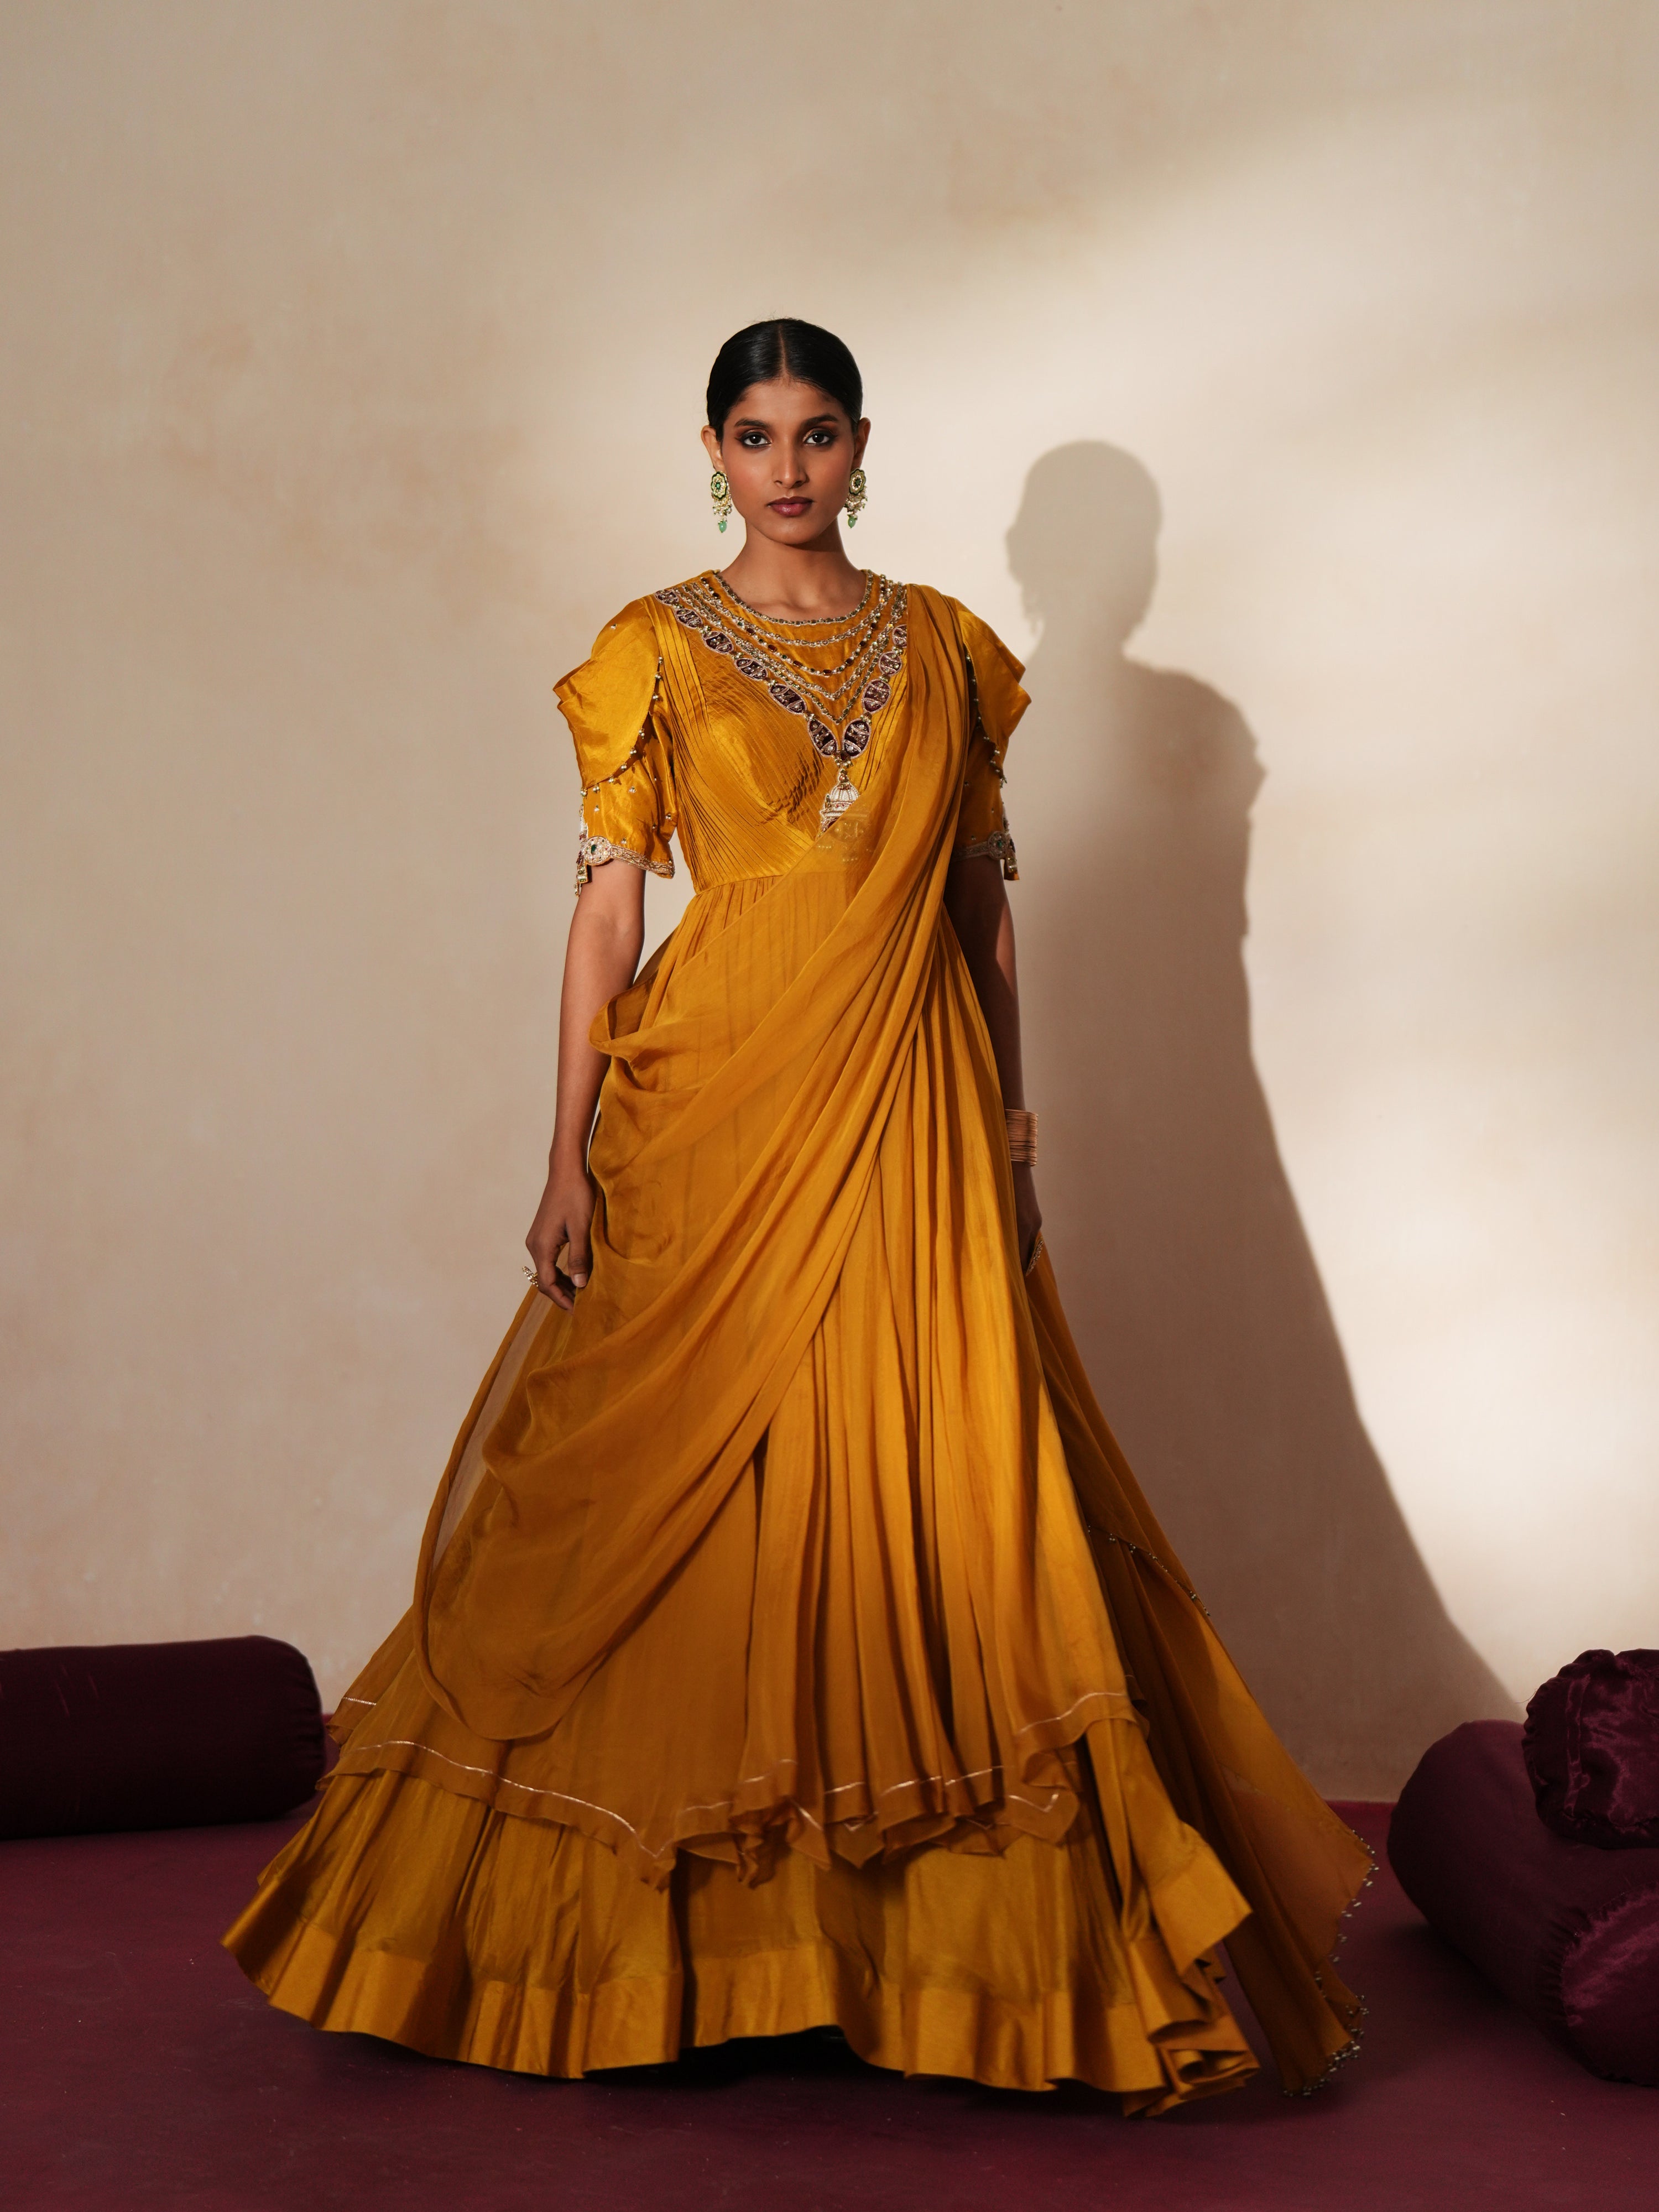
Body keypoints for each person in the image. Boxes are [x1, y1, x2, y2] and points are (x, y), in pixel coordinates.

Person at [224, 319, 1369, 2114]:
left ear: (860, 447)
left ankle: (929, 1965)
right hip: (707, 1104)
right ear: (711, 449)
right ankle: (642, 1963)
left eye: (817, 435)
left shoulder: (951, 653)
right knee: (664, 1498)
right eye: (755, 437)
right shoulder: (649, 650)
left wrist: (1010, 1120)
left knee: (928, 1480)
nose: (788, 468)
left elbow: (985, 911)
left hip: (910, 1105)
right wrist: (562, 1150)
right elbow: (608, 914)